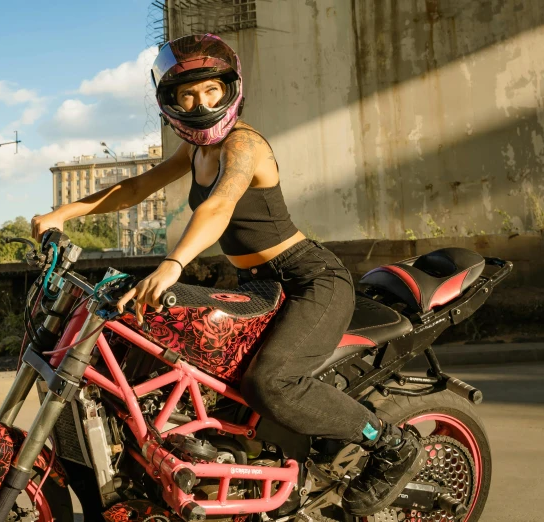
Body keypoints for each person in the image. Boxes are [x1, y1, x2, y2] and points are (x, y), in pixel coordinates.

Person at [31, 33, 425, 516]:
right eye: (188, 94)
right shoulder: (193, 152)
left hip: (310, 281)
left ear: (229, 90)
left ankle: (390, 443)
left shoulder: (246, 144)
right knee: (166, 350)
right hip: (258, 285)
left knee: (272, 383)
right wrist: (61, 215)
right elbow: (135, 188)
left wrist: (173, 263)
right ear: (171, 101)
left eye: (211, 90)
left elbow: (220, 204)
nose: (201, 102)